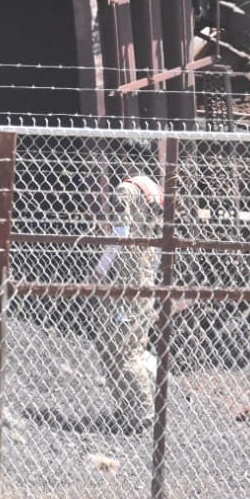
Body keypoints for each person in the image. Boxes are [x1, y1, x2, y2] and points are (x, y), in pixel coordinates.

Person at [90, 173, 163, 433]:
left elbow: (119, 236)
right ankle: (136, 405)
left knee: (117, 349)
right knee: (133, 345)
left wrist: (99, 270)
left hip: (124, 285)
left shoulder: (124, 191)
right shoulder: (154, 191)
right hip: (144, 282)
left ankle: (140, 409)